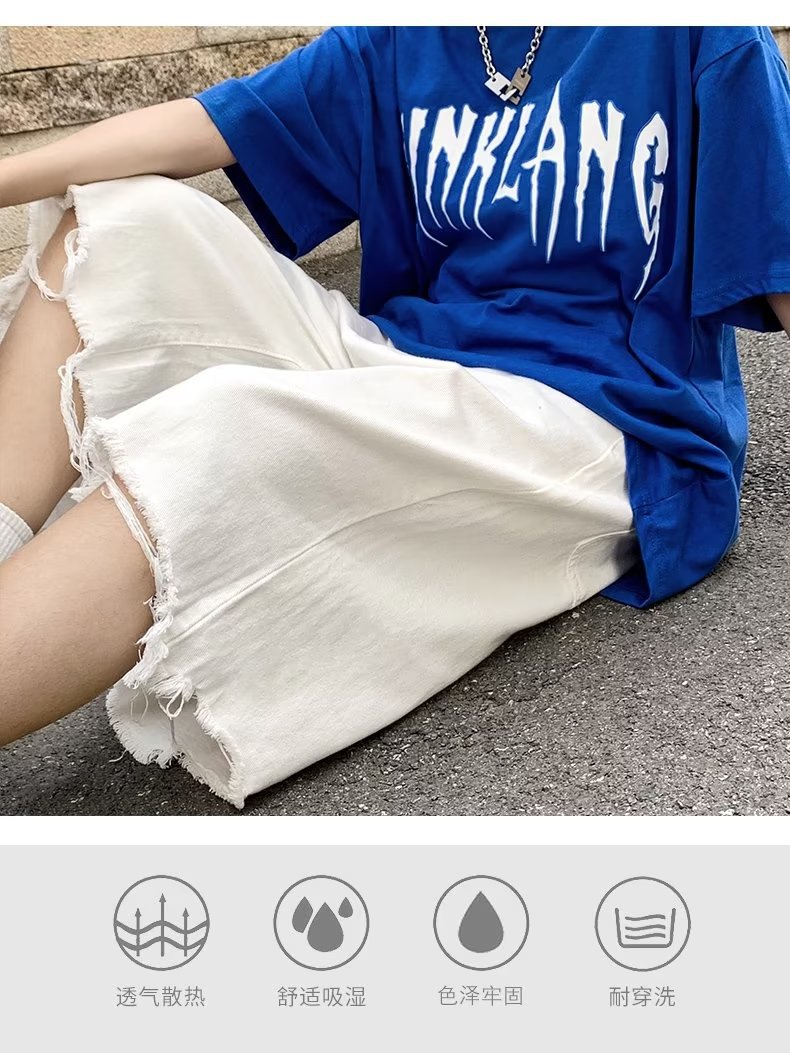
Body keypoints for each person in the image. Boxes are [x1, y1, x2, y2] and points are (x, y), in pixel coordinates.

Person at [0, 26, 788, 809]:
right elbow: (210, 121)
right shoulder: (413, 31)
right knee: (116, 226)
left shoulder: (699, 31)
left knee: (231, 428)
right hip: (408, 360)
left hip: (597, 415)